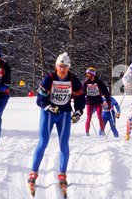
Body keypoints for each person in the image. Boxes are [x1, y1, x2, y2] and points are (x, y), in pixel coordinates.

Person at [28, 52, 85, 189]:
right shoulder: (49, 78)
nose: (63, 69)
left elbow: (80, 97)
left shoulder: (73, 79)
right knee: (43, 142)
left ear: (69, 67)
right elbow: (39, 98)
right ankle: (33, 173)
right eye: (60, 66)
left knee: (64, 144)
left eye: (65, 66)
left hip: (64, 113)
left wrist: (78, 111)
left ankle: (62, 174)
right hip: (48, 113)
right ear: (56, 66)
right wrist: (48, 106)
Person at [83, 67, 111, 136]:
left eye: (88, 75)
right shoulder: (85, 83)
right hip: (90, 102)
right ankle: (87, 133)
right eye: (86, 75)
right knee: (89, 117)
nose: (87, 76)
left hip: (98, 102)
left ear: (92, 75)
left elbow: (106, 92)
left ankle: (102, 131)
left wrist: (109, 102)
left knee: (99, 116)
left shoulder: (99, 82)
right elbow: (82, 93)